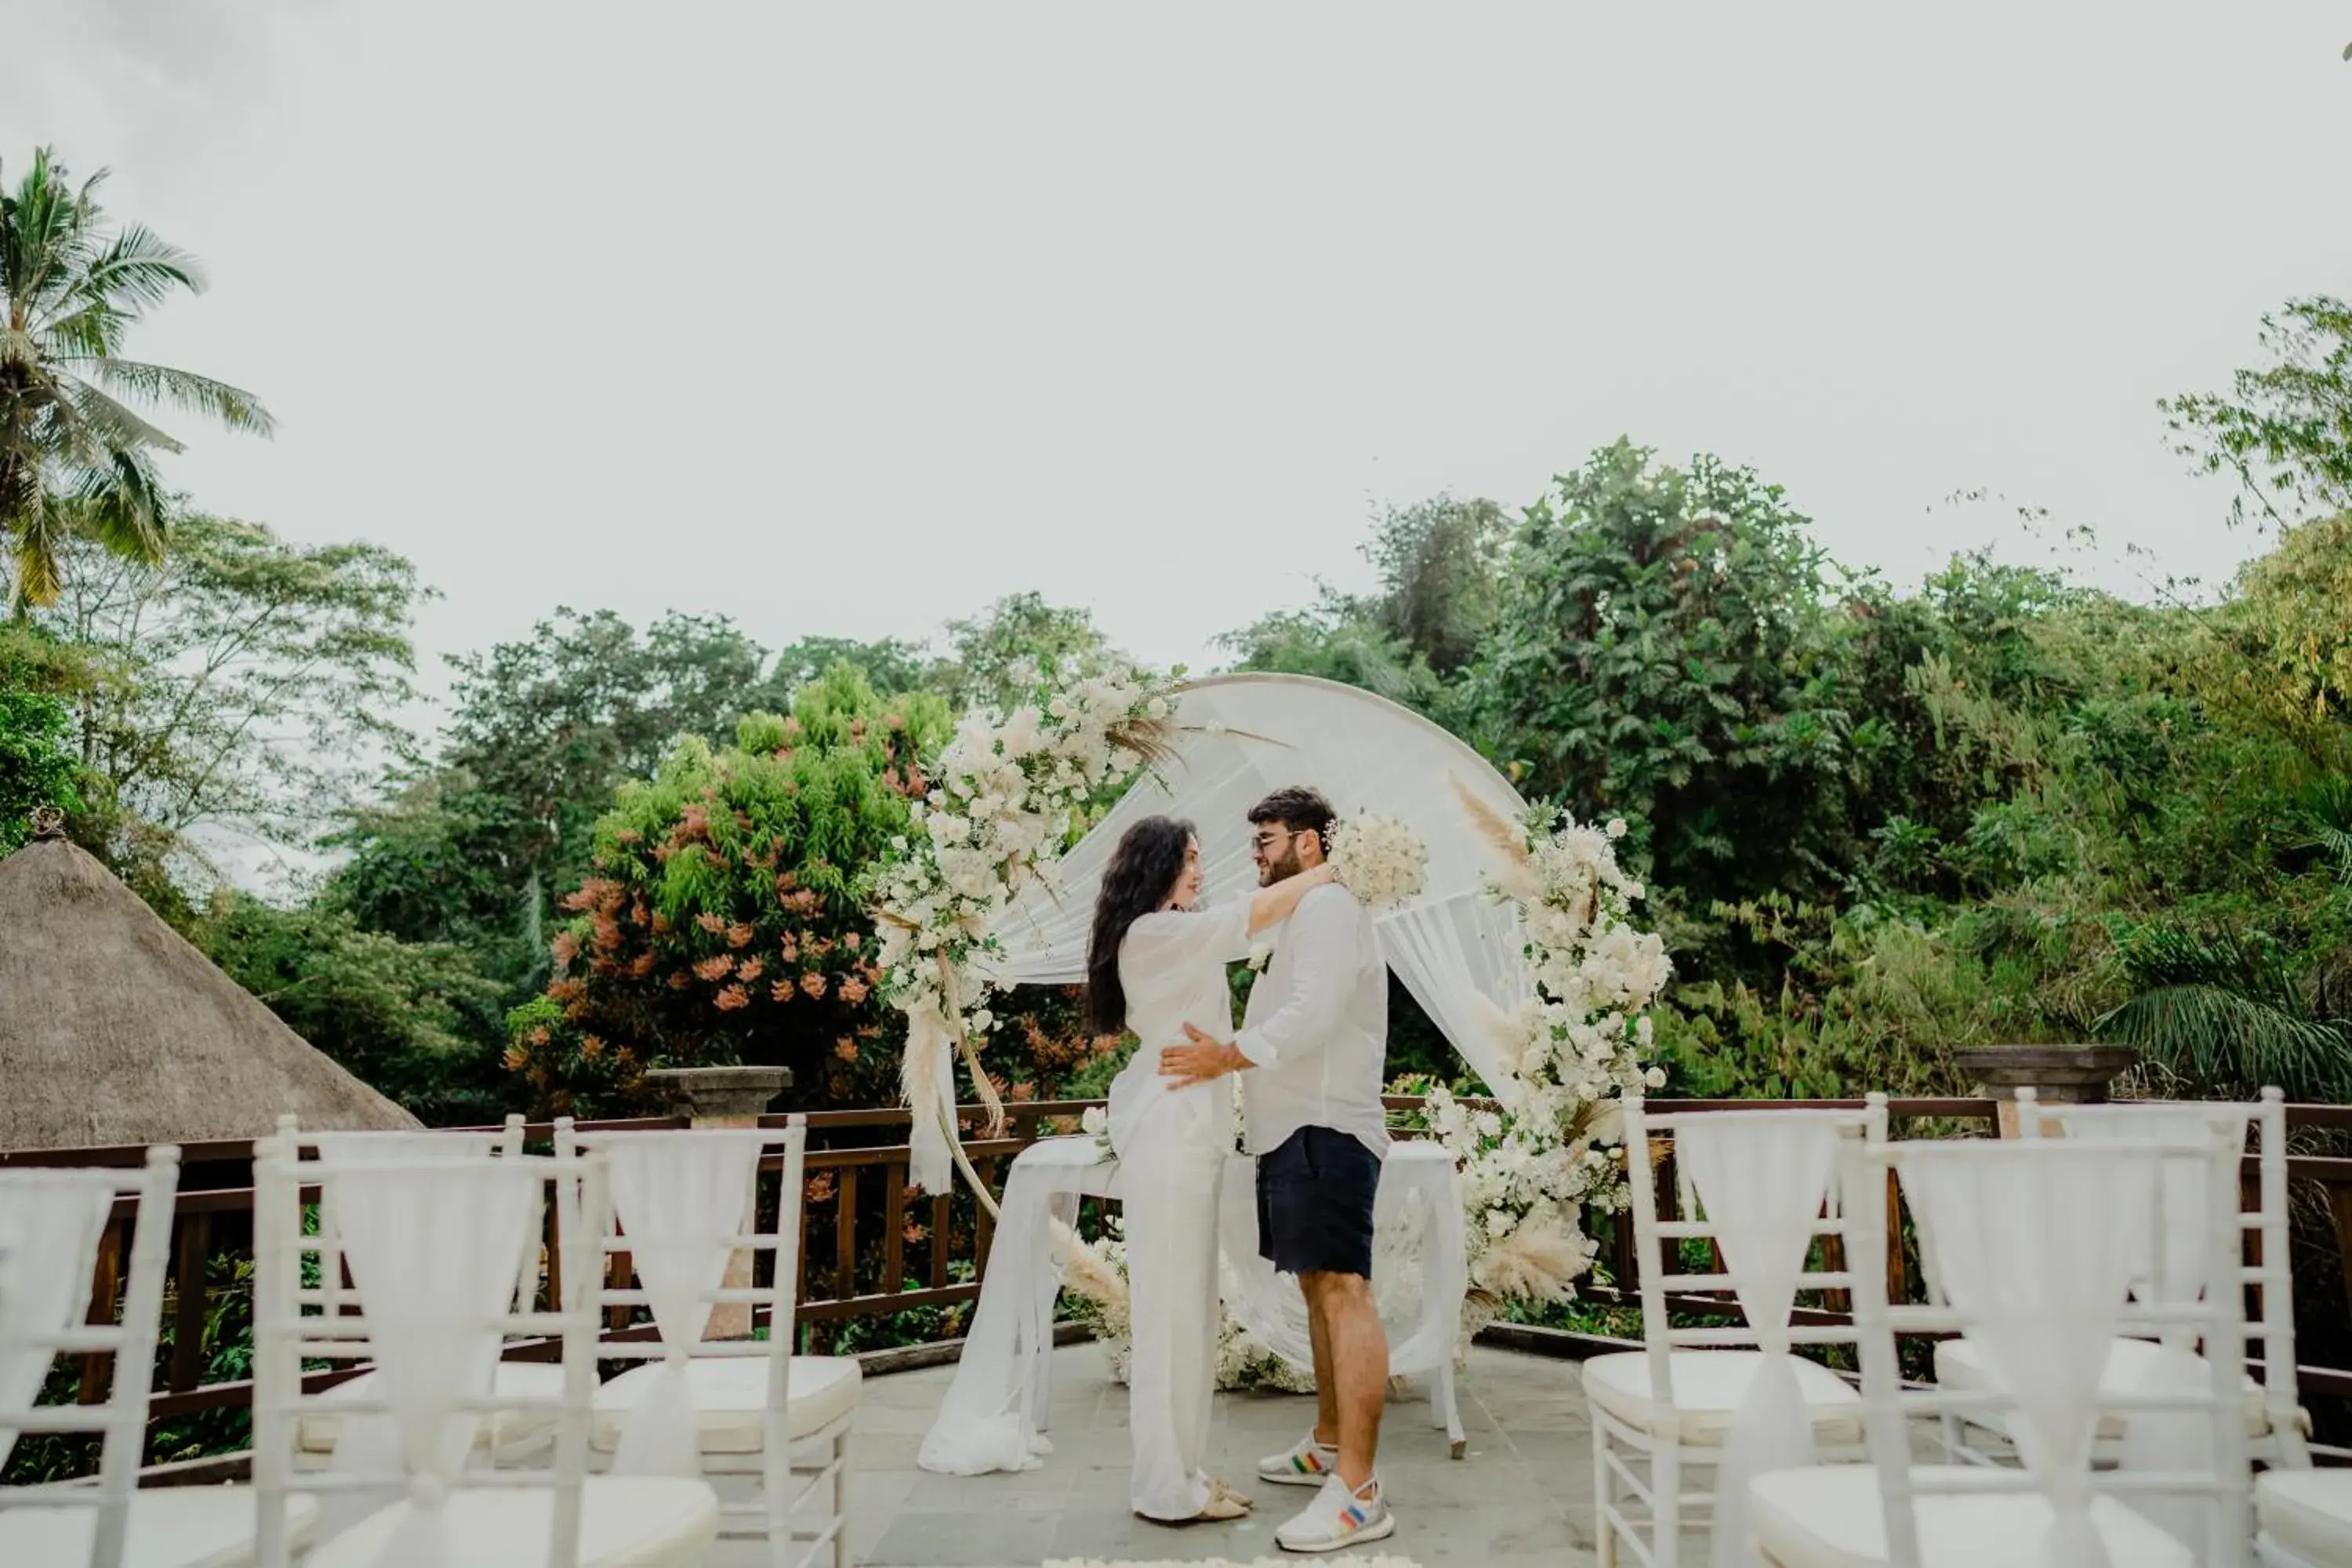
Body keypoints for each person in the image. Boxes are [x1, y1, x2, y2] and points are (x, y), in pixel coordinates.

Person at [1159, 784, 1396, 1555]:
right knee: (1316, 1286)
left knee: (1343, 1289)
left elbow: (1315, 1012)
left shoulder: (1328, 909)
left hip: (1326, 1124)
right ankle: (1328, 1441)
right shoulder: (1303, 910)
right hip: (1293, 1127)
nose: (1256, 853)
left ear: (1310, 842)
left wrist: (1225, 1055)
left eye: (1267, 839)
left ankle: (1358, 1490)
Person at [1087, 812, 1336, 1526]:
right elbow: (1248, 915)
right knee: (1171, 1318)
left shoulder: (1169, 934)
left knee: (1190, 1312)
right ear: (1158, 863)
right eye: (1190, 858)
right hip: (1169, 1140)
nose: (1200, 869)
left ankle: (1185, 1473)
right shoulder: (1153, 934)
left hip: (1187, 1140)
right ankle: (1165, 1487)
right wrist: (1333, 871)